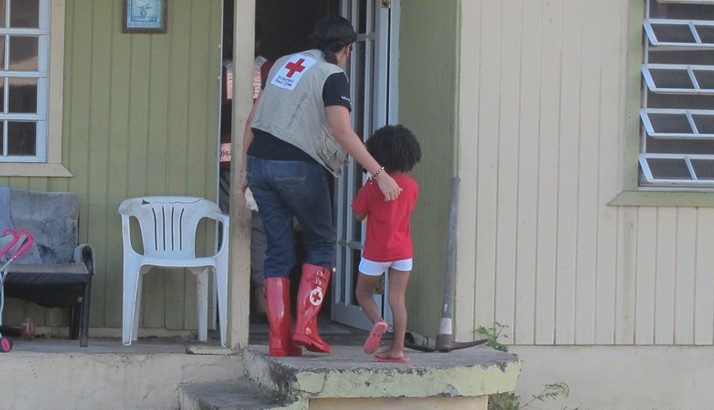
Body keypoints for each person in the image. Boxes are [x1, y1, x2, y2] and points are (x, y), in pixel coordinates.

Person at [238, 15, 403, 357]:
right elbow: (343, 132)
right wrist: (379, 173)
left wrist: (244, 171)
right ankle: (306, 328)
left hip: (259, 164)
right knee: (321, 243)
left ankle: (278, 341)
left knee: (278, 250)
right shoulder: (332, 75)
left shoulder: (283, 63)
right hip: (298, 167)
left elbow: (253, 118)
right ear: (345, 49)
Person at [352, 125, 421, 363]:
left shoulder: (372, 187)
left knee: (363, 293)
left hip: (377, 251)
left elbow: (358, 215)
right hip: (403, 251)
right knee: (398, 299)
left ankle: (378, 321)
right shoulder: (412, 186)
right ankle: (398, 349)